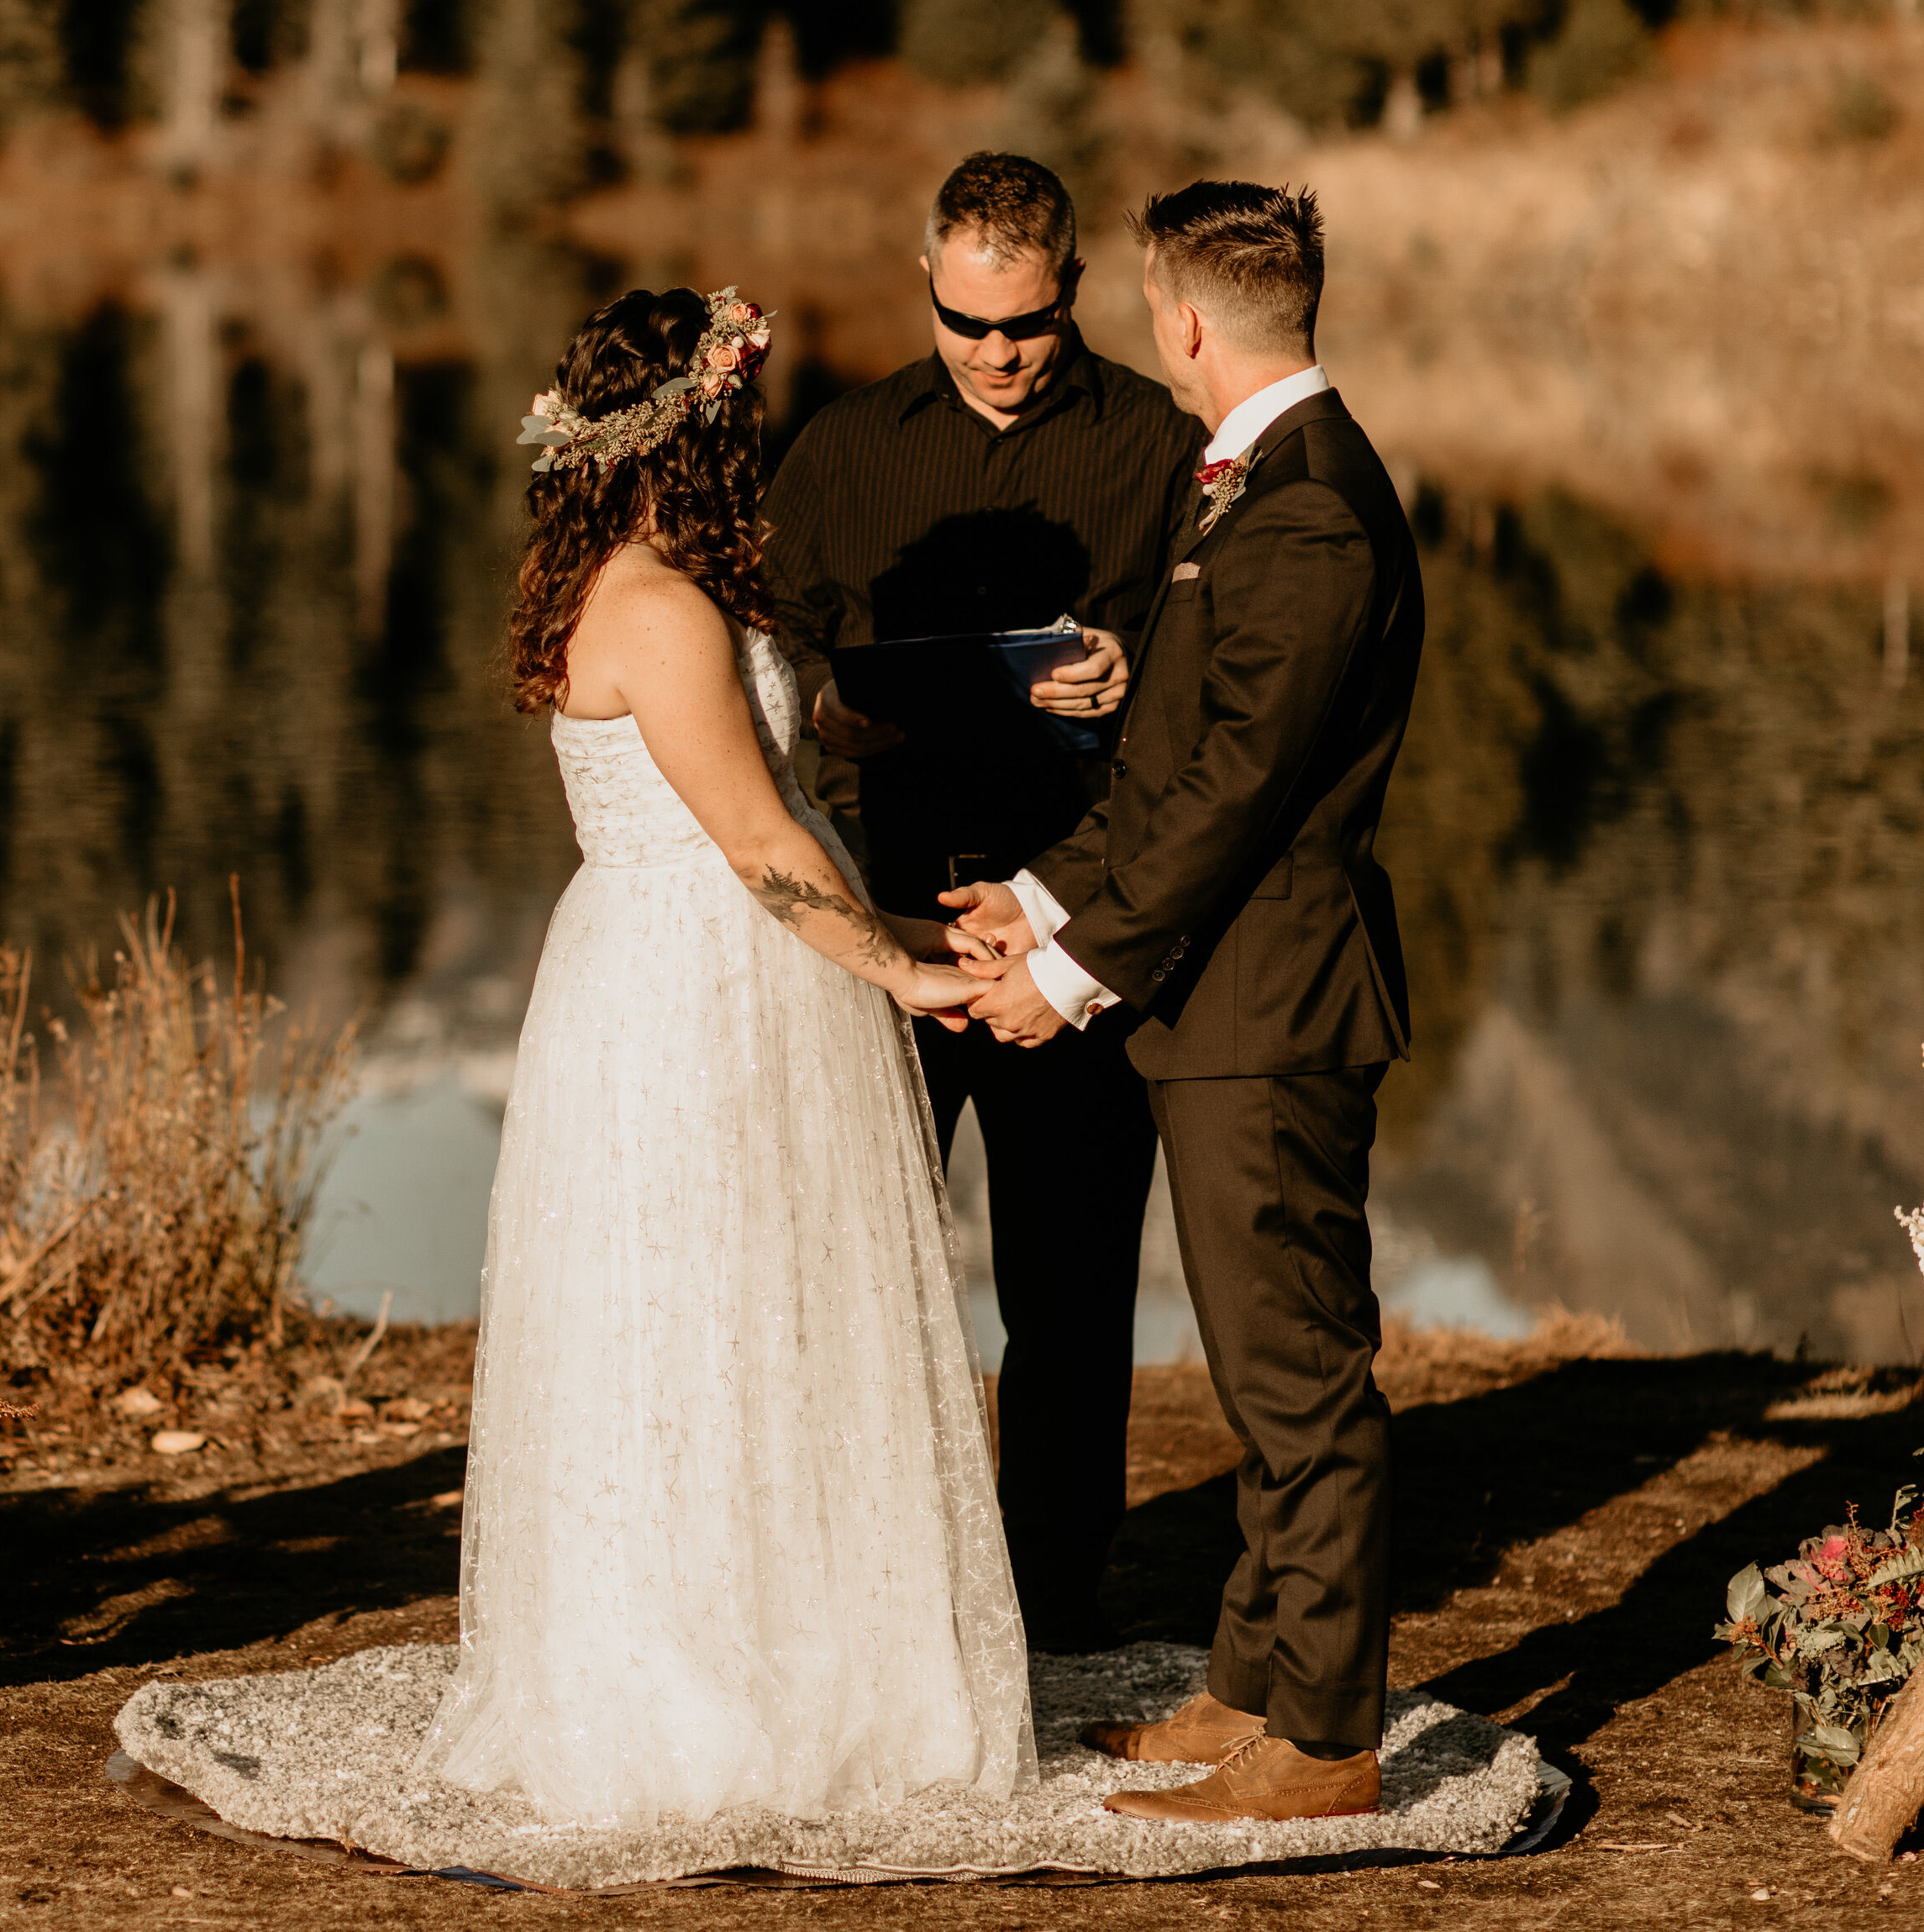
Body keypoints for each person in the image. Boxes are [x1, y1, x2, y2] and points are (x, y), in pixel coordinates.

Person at [420, 283, 1033, 1829]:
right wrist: (900, 970)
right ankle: (710, 1686)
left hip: (706, 966)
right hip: (696, 997)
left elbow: (770, 821)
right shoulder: (662, 608)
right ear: (697, 433)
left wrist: (899, 913)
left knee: (743, 1308)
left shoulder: (629, 583)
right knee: (714, 1304)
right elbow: (755, 840)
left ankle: (770, 1640)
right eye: (739, 417)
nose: (756, 440)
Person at [951, 181, 1423, 1829]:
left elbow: (1235, 791)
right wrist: (1028, 895)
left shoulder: (1306, 510)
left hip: (1271, 1010)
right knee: (1254, 1367)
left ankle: (1326, 1737)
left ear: (1182, 321)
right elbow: (1171, 765)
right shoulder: (1258, 486)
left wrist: (1066, 978)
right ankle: (1253, 1682)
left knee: (1295, 1375)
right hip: (1224, 1000)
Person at [764, 152, 1202, 1650]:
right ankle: (855, 1585)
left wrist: (1135, 670)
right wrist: (828, 703)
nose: (998, 354)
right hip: (882, 916)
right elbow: (776, 639)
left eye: (1025, 324)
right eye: (967, 324)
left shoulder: (1157, 441)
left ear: (1071, 292)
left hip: (1074, 922)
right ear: (931, 292)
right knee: (850, 1263)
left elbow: (1214, 669)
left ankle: (1056, 1607)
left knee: (1070, 1290)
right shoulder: (841, 445)